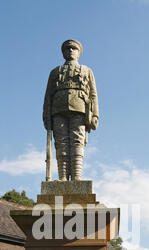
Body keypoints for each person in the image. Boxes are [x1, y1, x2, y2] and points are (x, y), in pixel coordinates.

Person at [43, 39, 99, 181]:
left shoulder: (87, 70)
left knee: (77, 141)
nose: (71, 51)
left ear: (79, 52)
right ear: (63, 53)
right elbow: (48, 95)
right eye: (67, 49)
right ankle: (62, 177)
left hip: (80, 108)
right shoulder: (55, 72)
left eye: (74, 49)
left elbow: (93, 94)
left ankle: (76, 177)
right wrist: (46, 115)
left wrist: (95, 115)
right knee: (61, 143)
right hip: (58, 109)